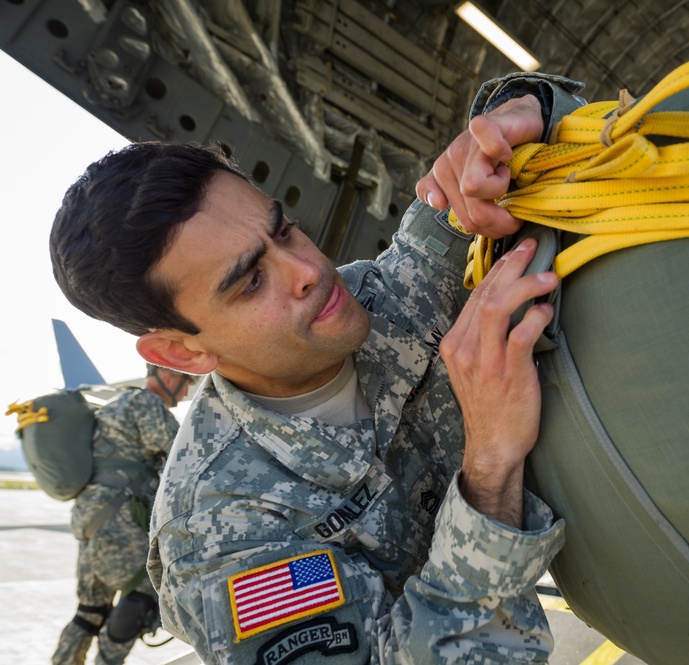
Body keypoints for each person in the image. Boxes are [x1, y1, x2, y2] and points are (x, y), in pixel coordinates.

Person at [48, 83, 585, 662]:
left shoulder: (387, 295)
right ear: (181, 354)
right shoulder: (222, 530)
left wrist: (515, 119)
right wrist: (491, 467)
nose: (309, 268)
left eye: (283, 231)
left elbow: (559, 131)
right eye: (250, 281)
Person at [52, 364, 192, 665]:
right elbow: (182, 458)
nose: (184, 393)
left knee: (90, 611)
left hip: (91, 521)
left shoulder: (114, 406)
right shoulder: (147, 404)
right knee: (142, 593)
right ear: (167, 376)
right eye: (184, 383)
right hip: (120, 523)